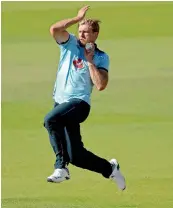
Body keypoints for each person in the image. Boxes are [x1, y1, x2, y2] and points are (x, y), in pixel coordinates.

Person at [44, 5, 126, 190]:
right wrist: (76, 18)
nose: (81, 35)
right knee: (77, 155)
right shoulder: (69, 43)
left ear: (95, 34)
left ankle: (61, 167)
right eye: (80, 31)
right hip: (61, 102)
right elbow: (54, 30)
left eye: (86, 32)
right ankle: (111, 168)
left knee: (50, 119)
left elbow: (101, 85)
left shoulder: (100, 56)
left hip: (79, 104)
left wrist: (89, 61)